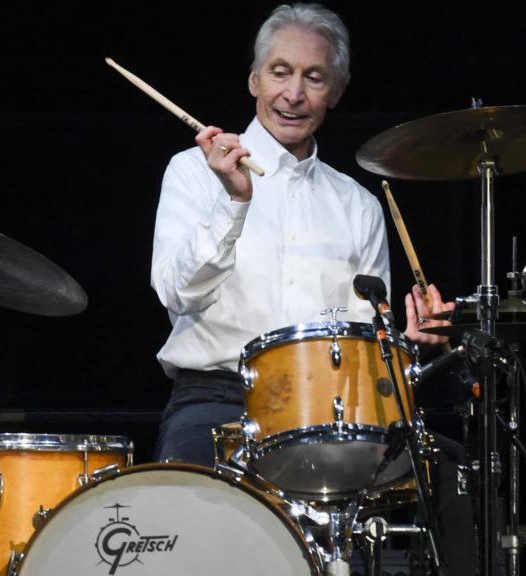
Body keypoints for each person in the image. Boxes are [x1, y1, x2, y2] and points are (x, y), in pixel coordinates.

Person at [150, 4, 474, 575]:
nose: (293, 94)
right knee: (184, 513)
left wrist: (403, 340)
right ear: (254, 80)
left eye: (313, 77)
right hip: (217, 401)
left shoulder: (359, 204)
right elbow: (178, 294)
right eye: (280, 72)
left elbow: (361, 347)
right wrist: (235, 201)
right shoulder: (193, 172)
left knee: (456, 477)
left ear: (335, 91)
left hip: (326, 413)